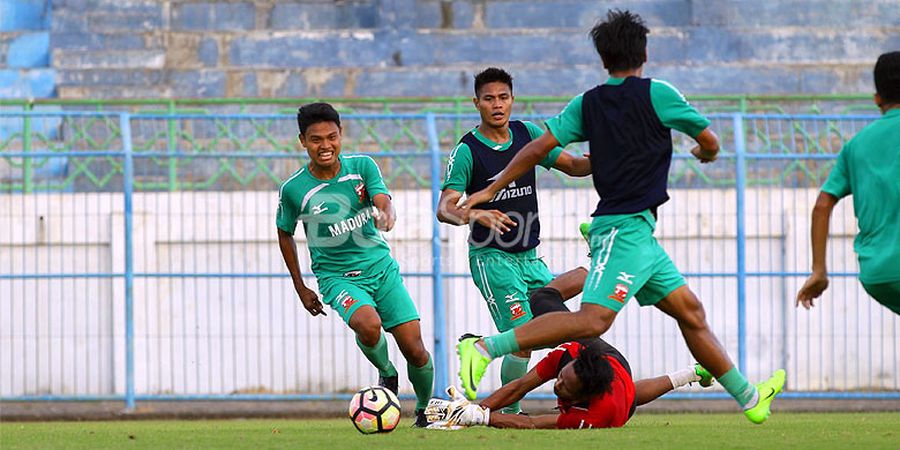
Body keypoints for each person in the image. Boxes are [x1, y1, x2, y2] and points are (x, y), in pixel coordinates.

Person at [454, 10, 785, 424]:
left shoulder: (587, 103)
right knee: (592, 321)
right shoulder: (658, 93)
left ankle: (751, 397)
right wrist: (707, 154)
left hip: (642, 233)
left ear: (602, 57)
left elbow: (540, 149)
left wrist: (492, 186)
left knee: (691, 313)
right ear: (644, 52)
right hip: (623, 228)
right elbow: (710, 141)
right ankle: (485, 347)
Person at [437, 67, 591, 413]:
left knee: (567, 307)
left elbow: (573, 166)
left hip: (530, 257)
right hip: (492, 258)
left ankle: (486, 355)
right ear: (476, 103)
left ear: (512, 100)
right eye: (489, 98)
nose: (497, 105)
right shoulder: (467, 150)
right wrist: (475, 214)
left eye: (503, 98)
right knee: (524, 337)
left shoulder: (527, 134)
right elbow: (444, 208)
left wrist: (600, 161)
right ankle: (509, 413)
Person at [276, 102, 433, 426]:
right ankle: (387, 374)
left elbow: (382, 200)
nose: (325, 146)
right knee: (368, 323)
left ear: (341, 134)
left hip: (381, 268)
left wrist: (386, 216)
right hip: (338, 277)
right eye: (316, 139)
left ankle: (424, 411)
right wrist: (301, 286)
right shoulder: (294, 189)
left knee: (415, 349)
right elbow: (284, 233)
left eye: (331, 137)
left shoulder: (362, 166)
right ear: (302, 141)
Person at [426, 292, 714, 429]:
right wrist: (471, 410)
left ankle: (691, 372)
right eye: (561, 378)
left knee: (630, 400)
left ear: (585, 395)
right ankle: (589, 268)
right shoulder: (567, 357)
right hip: (606, 358)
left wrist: (484, 418)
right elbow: (520, 387)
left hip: (617, 397)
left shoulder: (601, 415)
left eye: (565, 387)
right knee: (541, 299)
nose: (558, 384)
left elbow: (536, 424)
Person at [796, 51, 900, 314]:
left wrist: (818, 270)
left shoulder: (856, 146)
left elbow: (823, 204)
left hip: (879, 274)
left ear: (877, 99)